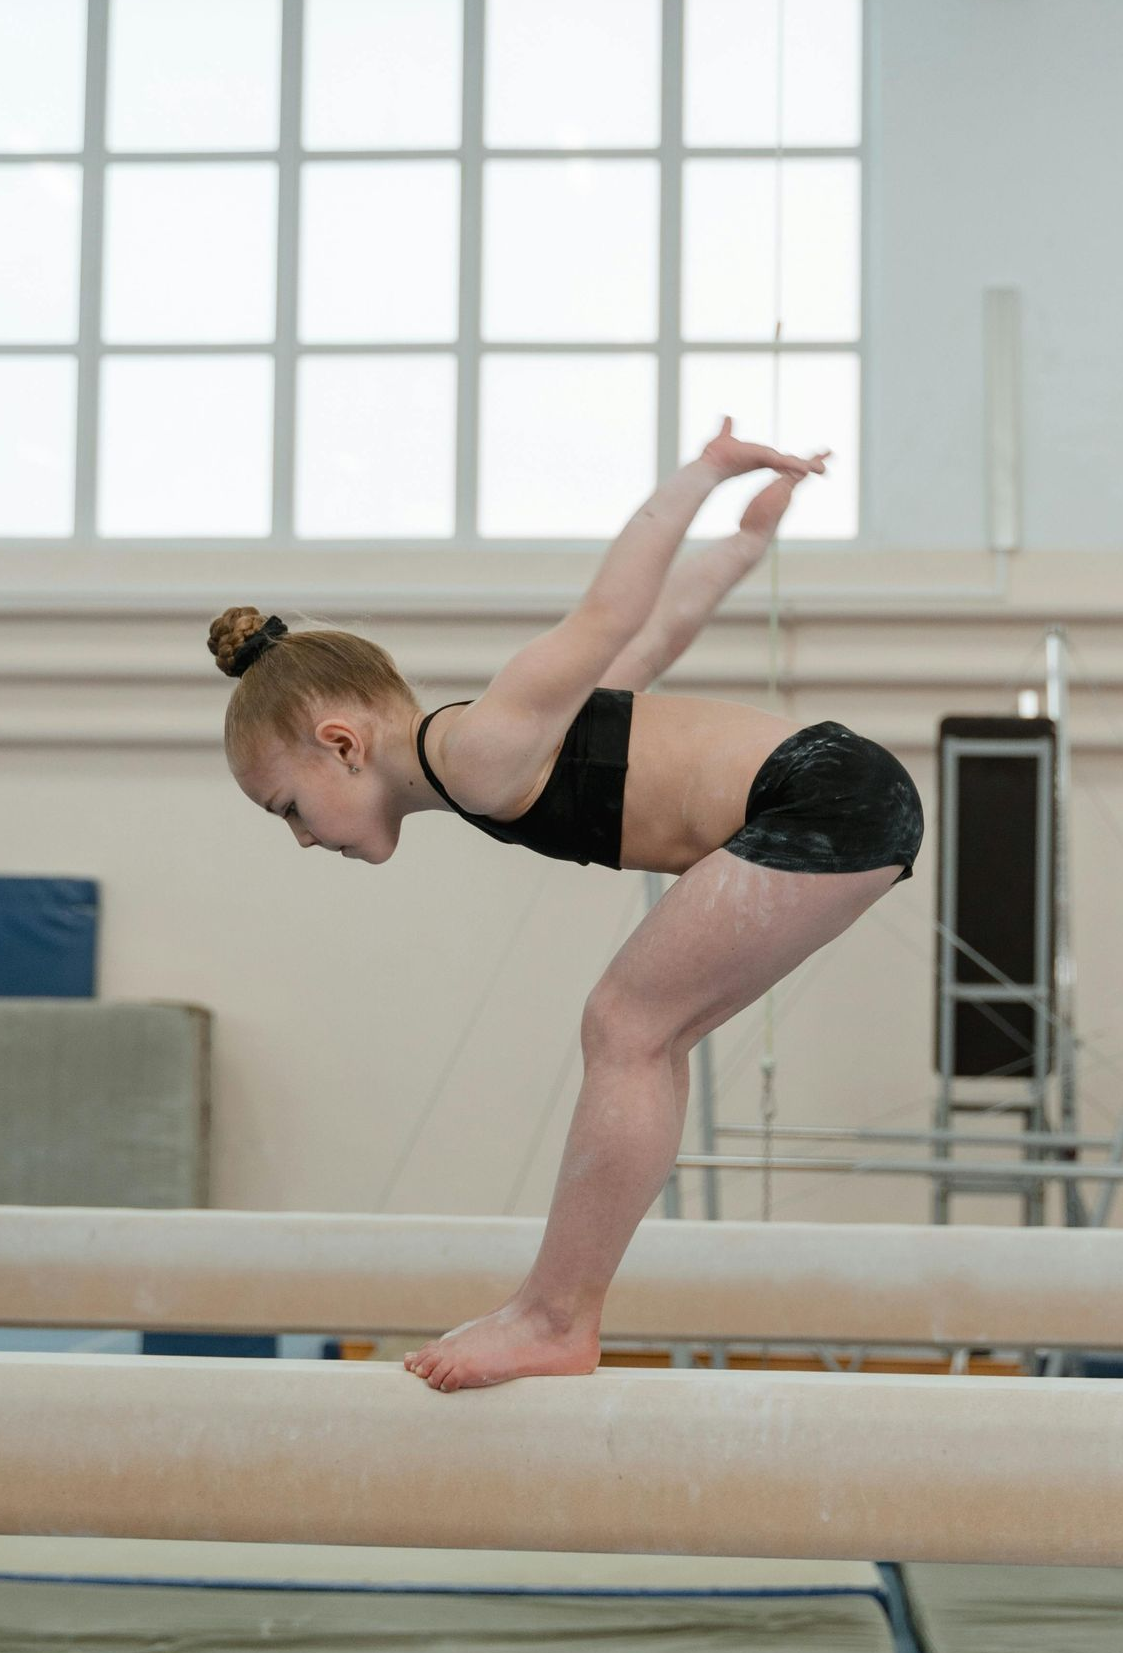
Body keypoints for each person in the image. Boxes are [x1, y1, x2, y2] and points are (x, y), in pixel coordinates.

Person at [208, 418, 923, 1392]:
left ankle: (555, 1314)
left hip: (821, 794)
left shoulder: (481, 746)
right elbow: (661, 632)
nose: (299, 835)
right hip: (836, 793)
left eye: (287, 807)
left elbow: (611, 615)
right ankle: (555, 1309)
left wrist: (702, 474)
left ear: (340, 743)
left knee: (625, 1021)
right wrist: (745, 544)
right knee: (643, 1031)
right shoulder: (497, 750)